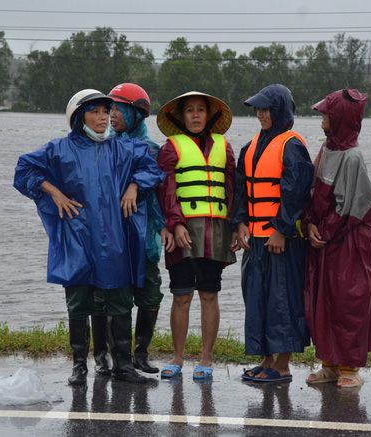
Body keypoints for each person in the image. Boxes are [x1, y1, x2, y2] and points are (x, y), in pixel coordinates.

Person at [13, 89, 164, 385]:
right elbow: (24, 169)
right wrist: (54, 192)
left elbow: (152, 168)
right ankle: (79, 366)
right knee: (79, 303)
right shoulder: (59, 149)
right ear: (79, 116)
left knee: (120, 301)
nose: (102, 117)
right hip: (78, 237)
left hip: (115, 240)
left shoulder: (124, 148)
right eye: (94, 111)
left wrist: (134, 186)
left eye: (105, 112)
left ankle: (124, 366)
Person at [231, 84, 314, 383]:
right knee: (258, 300)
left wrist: (281, 229)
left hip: (282, 242)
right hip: (255, 241)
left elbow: (297, 191)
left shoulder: (292, 145)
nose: (261, 115)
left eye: (267, 109)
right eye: (258, 109)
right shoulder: (251, 146)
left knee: (283, 302)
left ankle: (282, 365)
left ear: (281, 111)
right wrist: (239, 223)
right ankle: (266, 361)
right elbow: (241, 190)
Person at [303, 89, 371, 388]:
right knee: (323, 299)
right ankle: (329, 363)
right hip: (325, 239)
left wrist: (323, 231)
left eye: (326, 114)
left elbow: (354, 206)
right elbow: (312, 191)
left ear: (341, 118)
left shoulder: (352, 156)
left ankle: (350, 367)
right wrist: (309, 224)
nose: (322, 119)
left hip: (349, 242)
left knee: (348, 300)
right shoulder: (326, 150)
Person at [156, 91, 236, 380]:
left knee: (209, 293)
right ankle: (177, 358)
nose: (195, 115)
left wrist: (237, 225)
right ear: (181, 117)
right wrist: (175, 224)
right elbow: (165, 190)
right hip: (183, 231)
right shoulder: (170, 148)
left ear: (210, 115)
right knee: (181, 295)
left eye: (200, 110)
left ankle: (206, 359)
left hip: (215, 230)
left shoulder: (224, 147)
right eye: (189, 110)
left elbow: (232, 190)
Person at [106, 82, 174, 374]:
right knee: (115, 297)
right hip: (114, 238)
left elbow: (158, 193)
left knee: (150, 294)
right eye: (110, 110)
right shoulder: (103, 145)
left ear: (135, 115)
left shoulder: (151, 149)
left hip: (144, 238)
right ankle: (114, 357)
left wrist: (162, 228)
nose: (112, 116)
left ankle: (141, 353)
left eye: (118, 110)